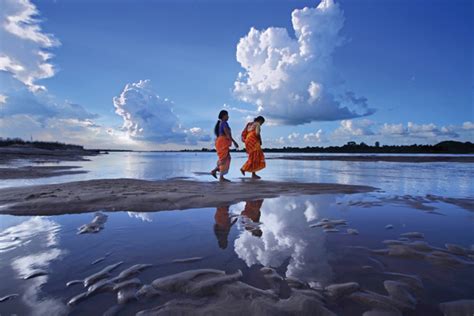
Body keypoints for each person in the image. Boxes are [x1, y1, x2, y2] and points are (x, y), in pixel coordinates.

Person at [211, 110, 239, 182]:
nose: (228, 116)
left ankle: (217, 173)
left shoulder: (220, 123)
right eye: (227, 115)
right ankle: (220, 176)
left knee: (225, 158)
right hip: (222, 142)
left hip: (220, 142)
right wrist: (234, 142)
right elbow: (227, 134)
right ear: (223, 116)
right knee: (224, 159)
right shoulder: (224, 123)